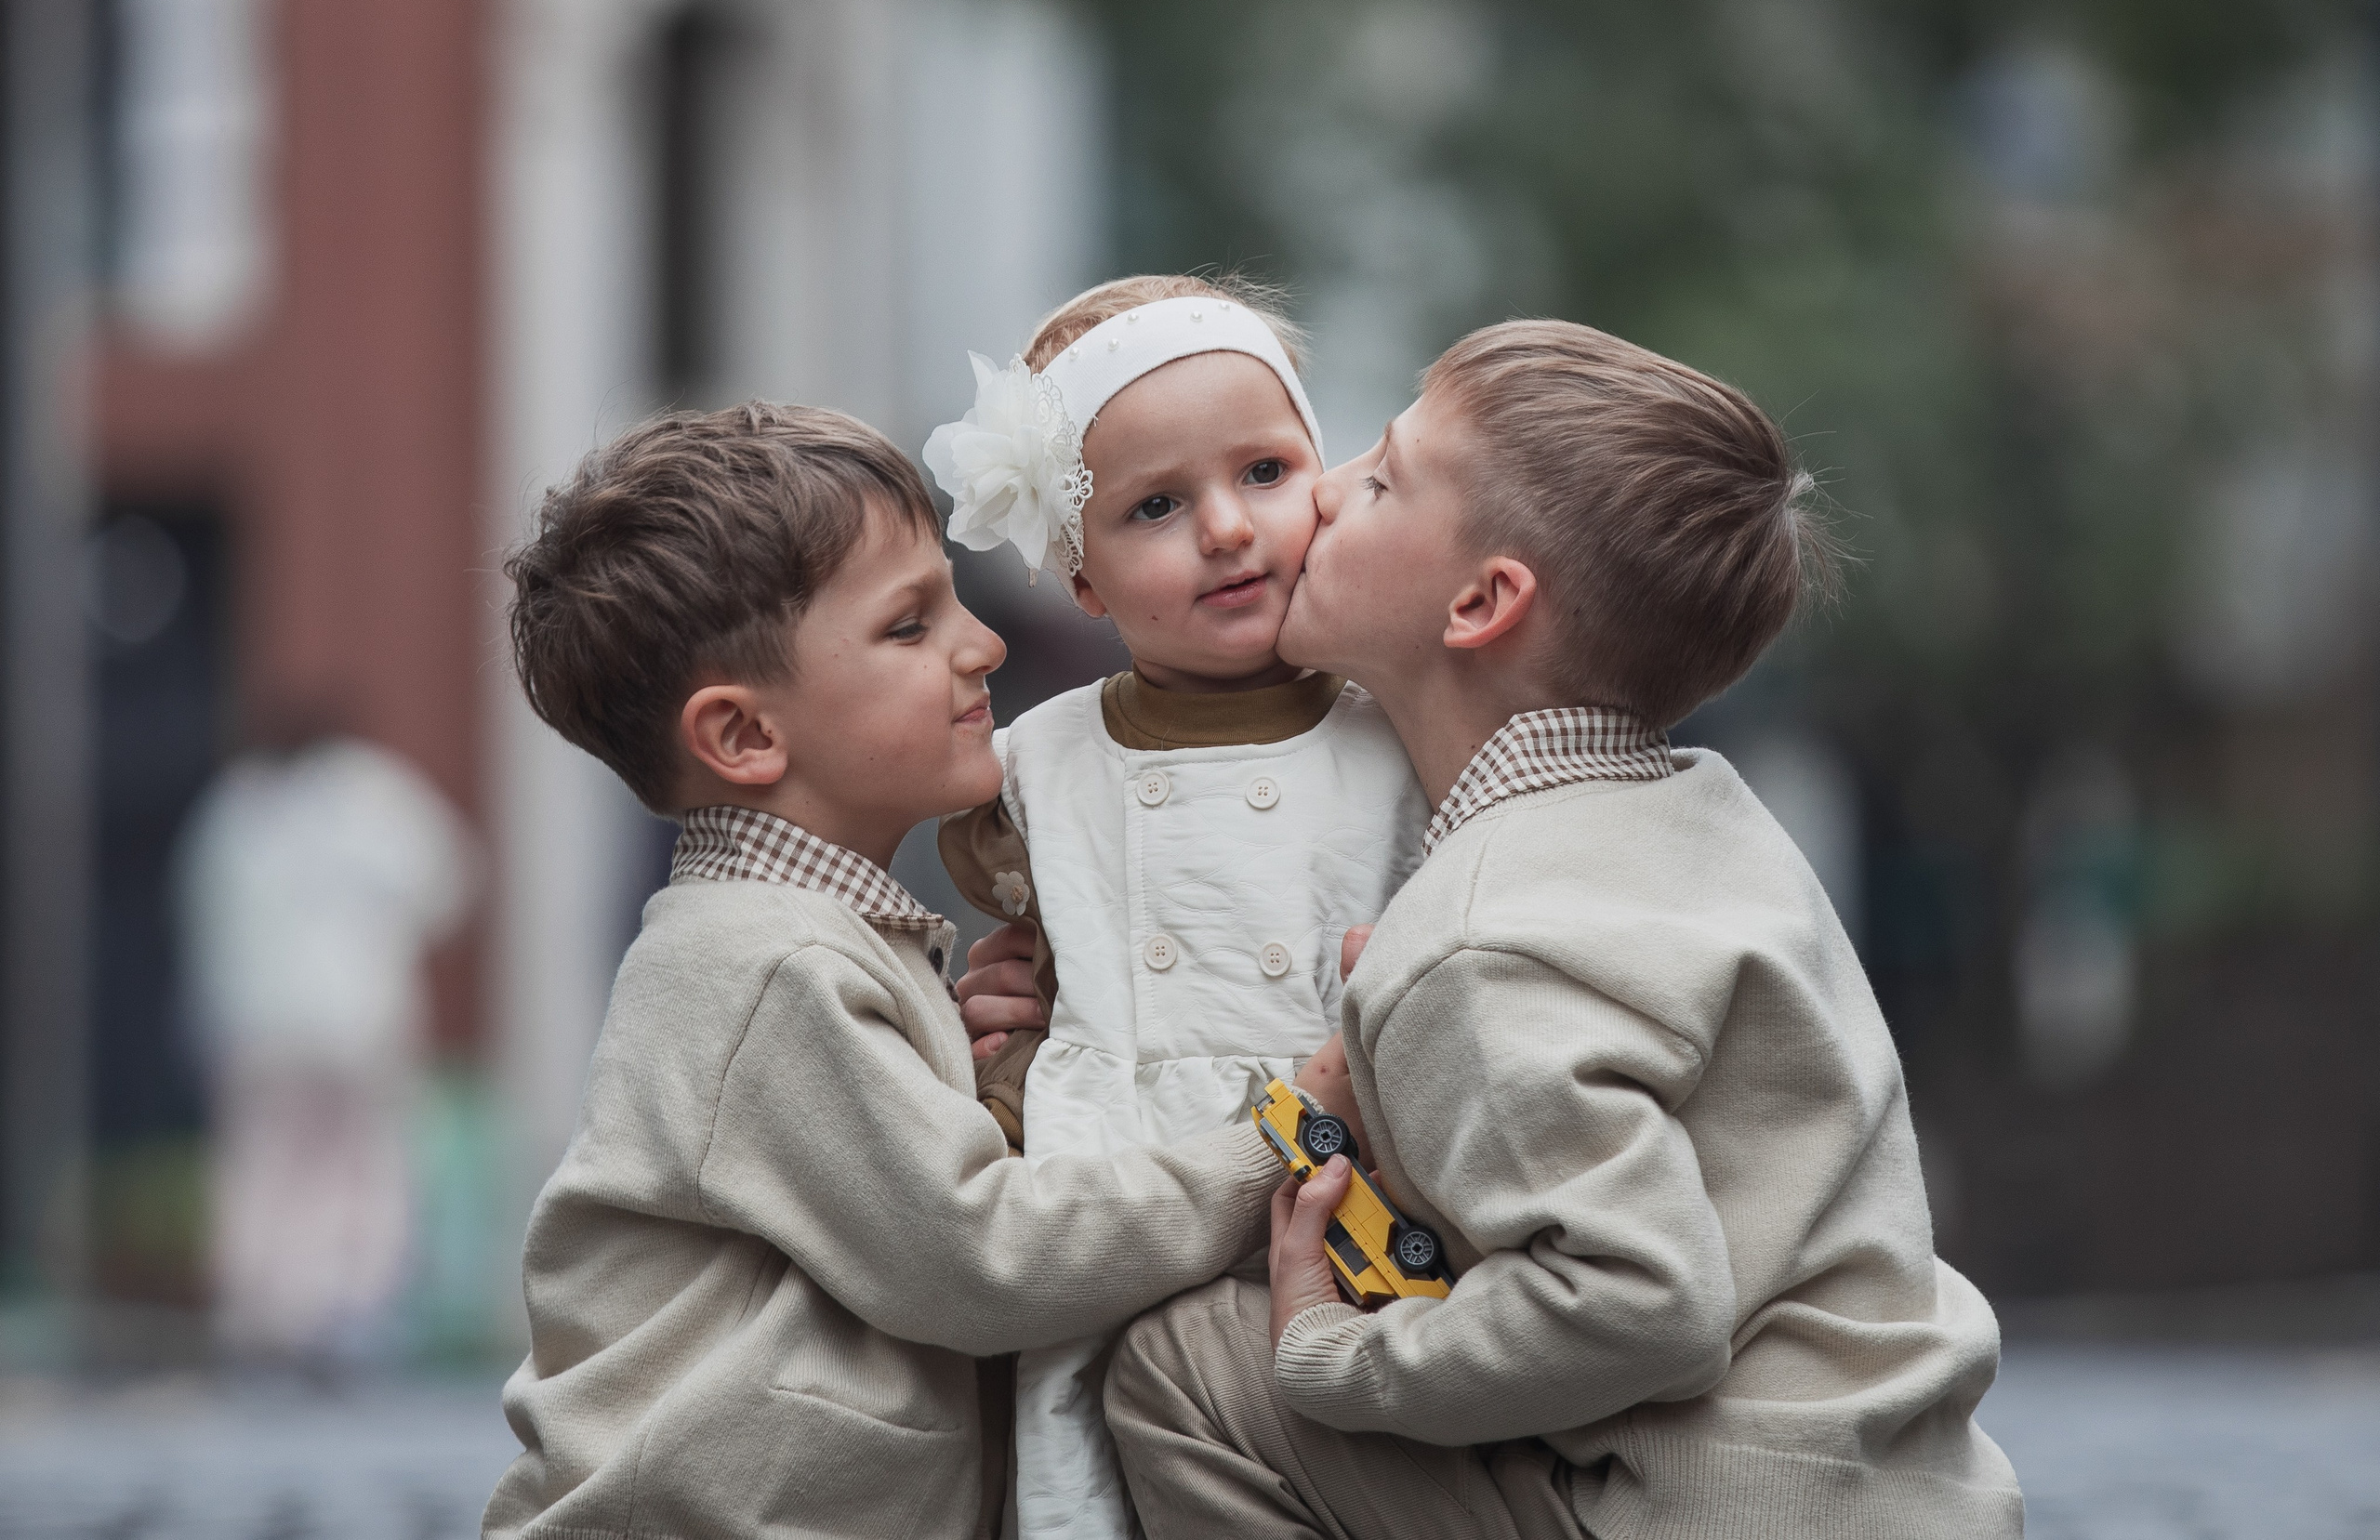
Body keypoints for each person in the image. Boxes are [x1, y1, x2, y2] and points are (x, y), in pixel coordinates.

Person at [1103, 322, 2028, 1539]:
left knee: (1181, 1361)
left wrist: (1339, 1355)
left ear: (1482, 601)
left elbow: (1642, 1303)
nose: (1322, 491)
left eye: (1379, 481)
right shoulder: (1708, 820)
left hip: (1707, 1510)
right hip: (1905, 1494)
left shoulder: (1480, 936)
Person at [483, 402, 1304, 1539]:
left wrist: (981, 1077)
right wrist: (1278, 1144)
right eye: (910, 626)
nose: (983, 646)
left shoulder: (809, 944)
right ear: (744, 737)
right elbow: (983, 1258)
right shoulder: (765, 964)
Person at [923, 275, 1428, 1540]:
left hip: (1358, 1185)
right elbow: (1028, 992)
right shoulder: (1037, 768)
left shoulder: (1404, 731)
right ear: (1080, 576)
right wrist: (998, 1062)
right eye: (1155, 505)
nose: (1227, 528)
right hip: (1121, 1183)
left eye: (1264, 472)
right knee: (1102, 1478)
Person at [176, 704, 471, 1367]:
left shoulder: (230, 809)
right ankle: (351, 1313)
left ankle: (262, 1318)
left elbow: (197, 921)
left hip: (255, 1024)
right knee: (363, 1166)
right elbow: (447, 885)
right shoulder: (370, 791)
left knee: (263, 1168)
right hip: (355, 1018)